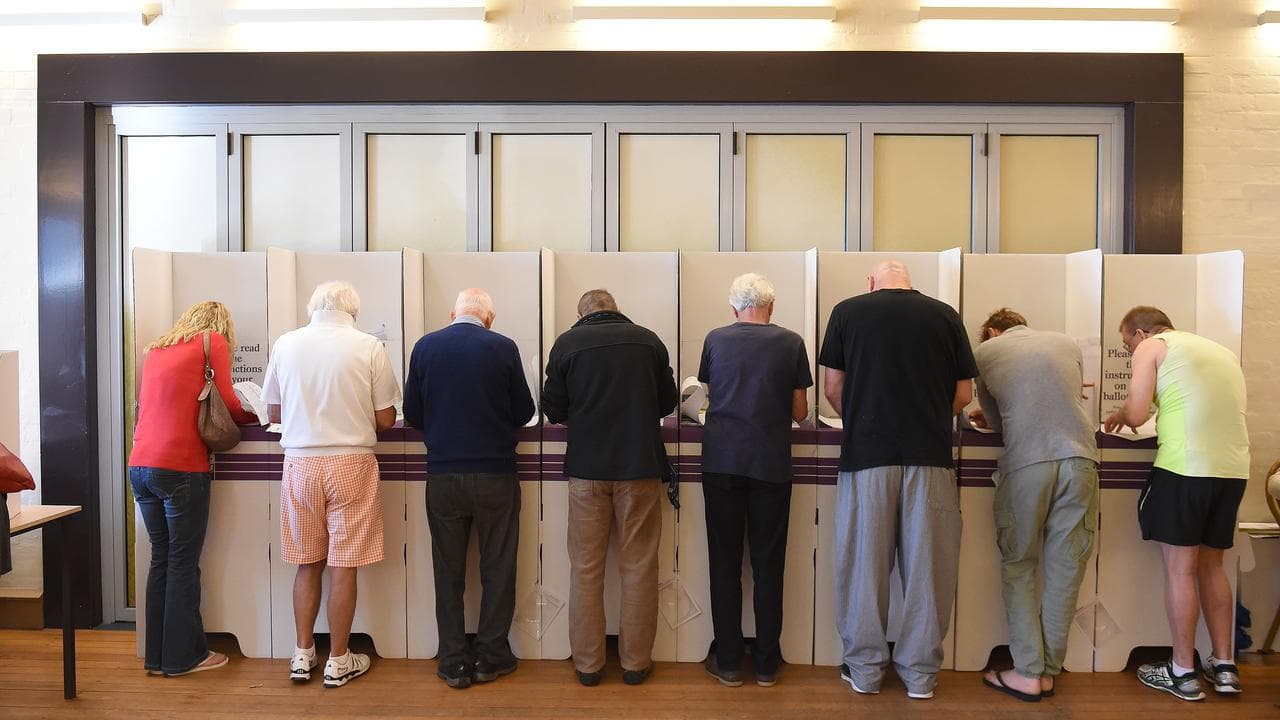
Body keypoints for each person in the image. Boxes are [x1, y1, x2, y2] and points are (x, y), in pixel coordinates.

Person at [817, 260, 976, 701]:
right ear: (910, 282)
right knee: (928, 570)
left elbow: (832, 388)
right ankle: (920, 675)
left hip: (867, 458)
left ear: (872, 282)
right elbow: (964, 394)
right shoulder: (946, 316)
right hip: (931, 460)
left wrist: (864, 421)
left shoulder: (847, 312)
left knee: (864, 569)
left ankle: (866, 670)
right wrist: (928, 418)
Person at [1103, 306, 1249, 701]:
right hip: (1233, 470)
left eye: (1126, 343)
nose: (1129, 350)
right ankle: (1224, 667)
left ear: (1141, 332)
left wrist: (1119, 414)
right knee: (1213, 566)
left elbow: (1137, 413)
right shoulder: (1220, 350)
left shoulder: (1152, 347)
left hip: (1186, 467)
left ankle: (1182, 671)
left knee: (1180, 569)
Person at [262, 281, 401, 689]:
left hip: (300, 464)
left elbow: (274, 411)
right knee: (343, 563)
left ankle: (302, 654)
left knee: (308, 561)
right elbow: (386, 418)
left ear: (313, 308)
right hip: (351, 463)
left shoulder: (286, 343)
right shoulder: (368, 346)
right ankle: (339, 660)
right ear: (353, 312)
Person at [542, 289, 678, 687]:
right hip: (639, 469)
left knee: (586, 569)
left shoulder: (566, 344)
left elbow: (554, 408)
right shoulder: (649, 341)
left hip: (586, 470)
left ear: (581, 313)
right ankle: (635, 664)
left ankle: (588, 665)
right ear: (616, 308)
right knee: (639, 566)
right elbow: (667, 403)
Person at [403, 288, 536, 690]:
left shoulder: (425, 347)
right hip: (495, 474)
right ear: (489, 318)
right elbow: (524, 411)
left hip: (443, 474)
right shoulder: (503, 347)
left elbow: (413, 414)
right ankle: (491, 656)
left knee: (448, 571)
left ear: (452, 314)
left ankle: (453, 660)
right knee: (498, 567)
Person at [968, 308, 1099, 703]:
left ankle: (1027, 672)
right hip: (1081, 461)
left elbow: (998, 423)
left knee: (1019, 566)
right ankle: (1048, 672)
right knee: (1066, 570)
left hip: (1028, 464)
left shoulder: (984, 353)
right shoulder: (1066, 343)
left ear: (993, 332)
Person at [128, 301, 257, 676]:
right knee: (183, 562)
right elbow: (228, 403)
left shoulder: (156, 348)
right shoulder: (212, 341)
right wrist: (259, 410)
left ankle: (157, 657)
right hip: (181, 466)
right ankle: (185, 657)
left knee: (161, 559)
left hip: (140, 465)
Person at [697, 273, 811, 688]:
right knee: (768, 564)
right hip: (770, 464)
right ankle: (766, 663)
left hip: (722, 460)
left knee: (724, 563)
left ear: (733, 308)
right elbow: (800, 411)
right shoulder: (792, 342)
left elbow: (711, 392)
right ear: (772, 306)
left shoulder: (715, 339)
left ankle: (728, 661)